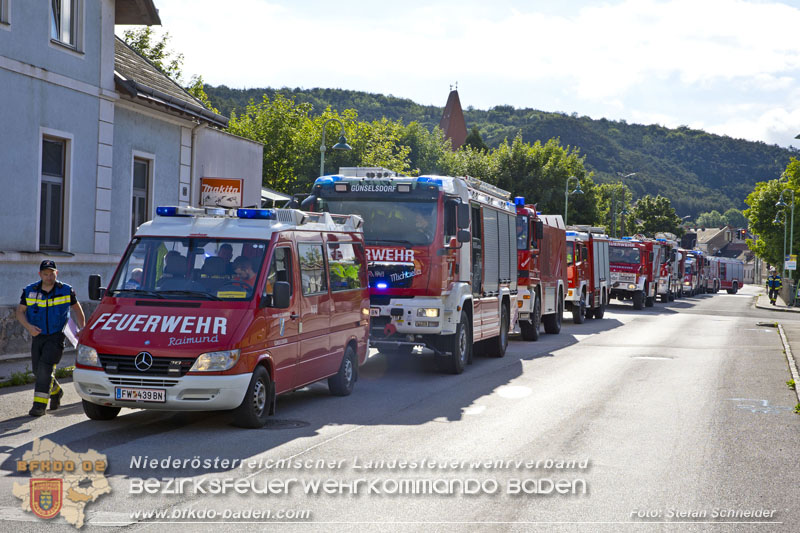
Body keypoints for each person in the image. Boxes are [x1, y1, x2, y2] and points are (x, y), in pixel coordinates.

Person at [16, 260, 85, 417]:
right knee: (37, 370)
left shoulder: (66, 290)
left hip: (56, 335)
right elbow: (20, 311)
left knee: (46, 368)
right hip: (38, 335)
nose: (48, 277)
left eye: (51, 274)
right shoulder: (30, 290)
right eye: (45, 274)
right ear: (40, 274)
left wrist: (82, 328)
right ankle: (56, 391)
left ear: (56, 273)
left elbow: (77, 308)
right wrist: (29, 327)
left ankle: (39, 406)